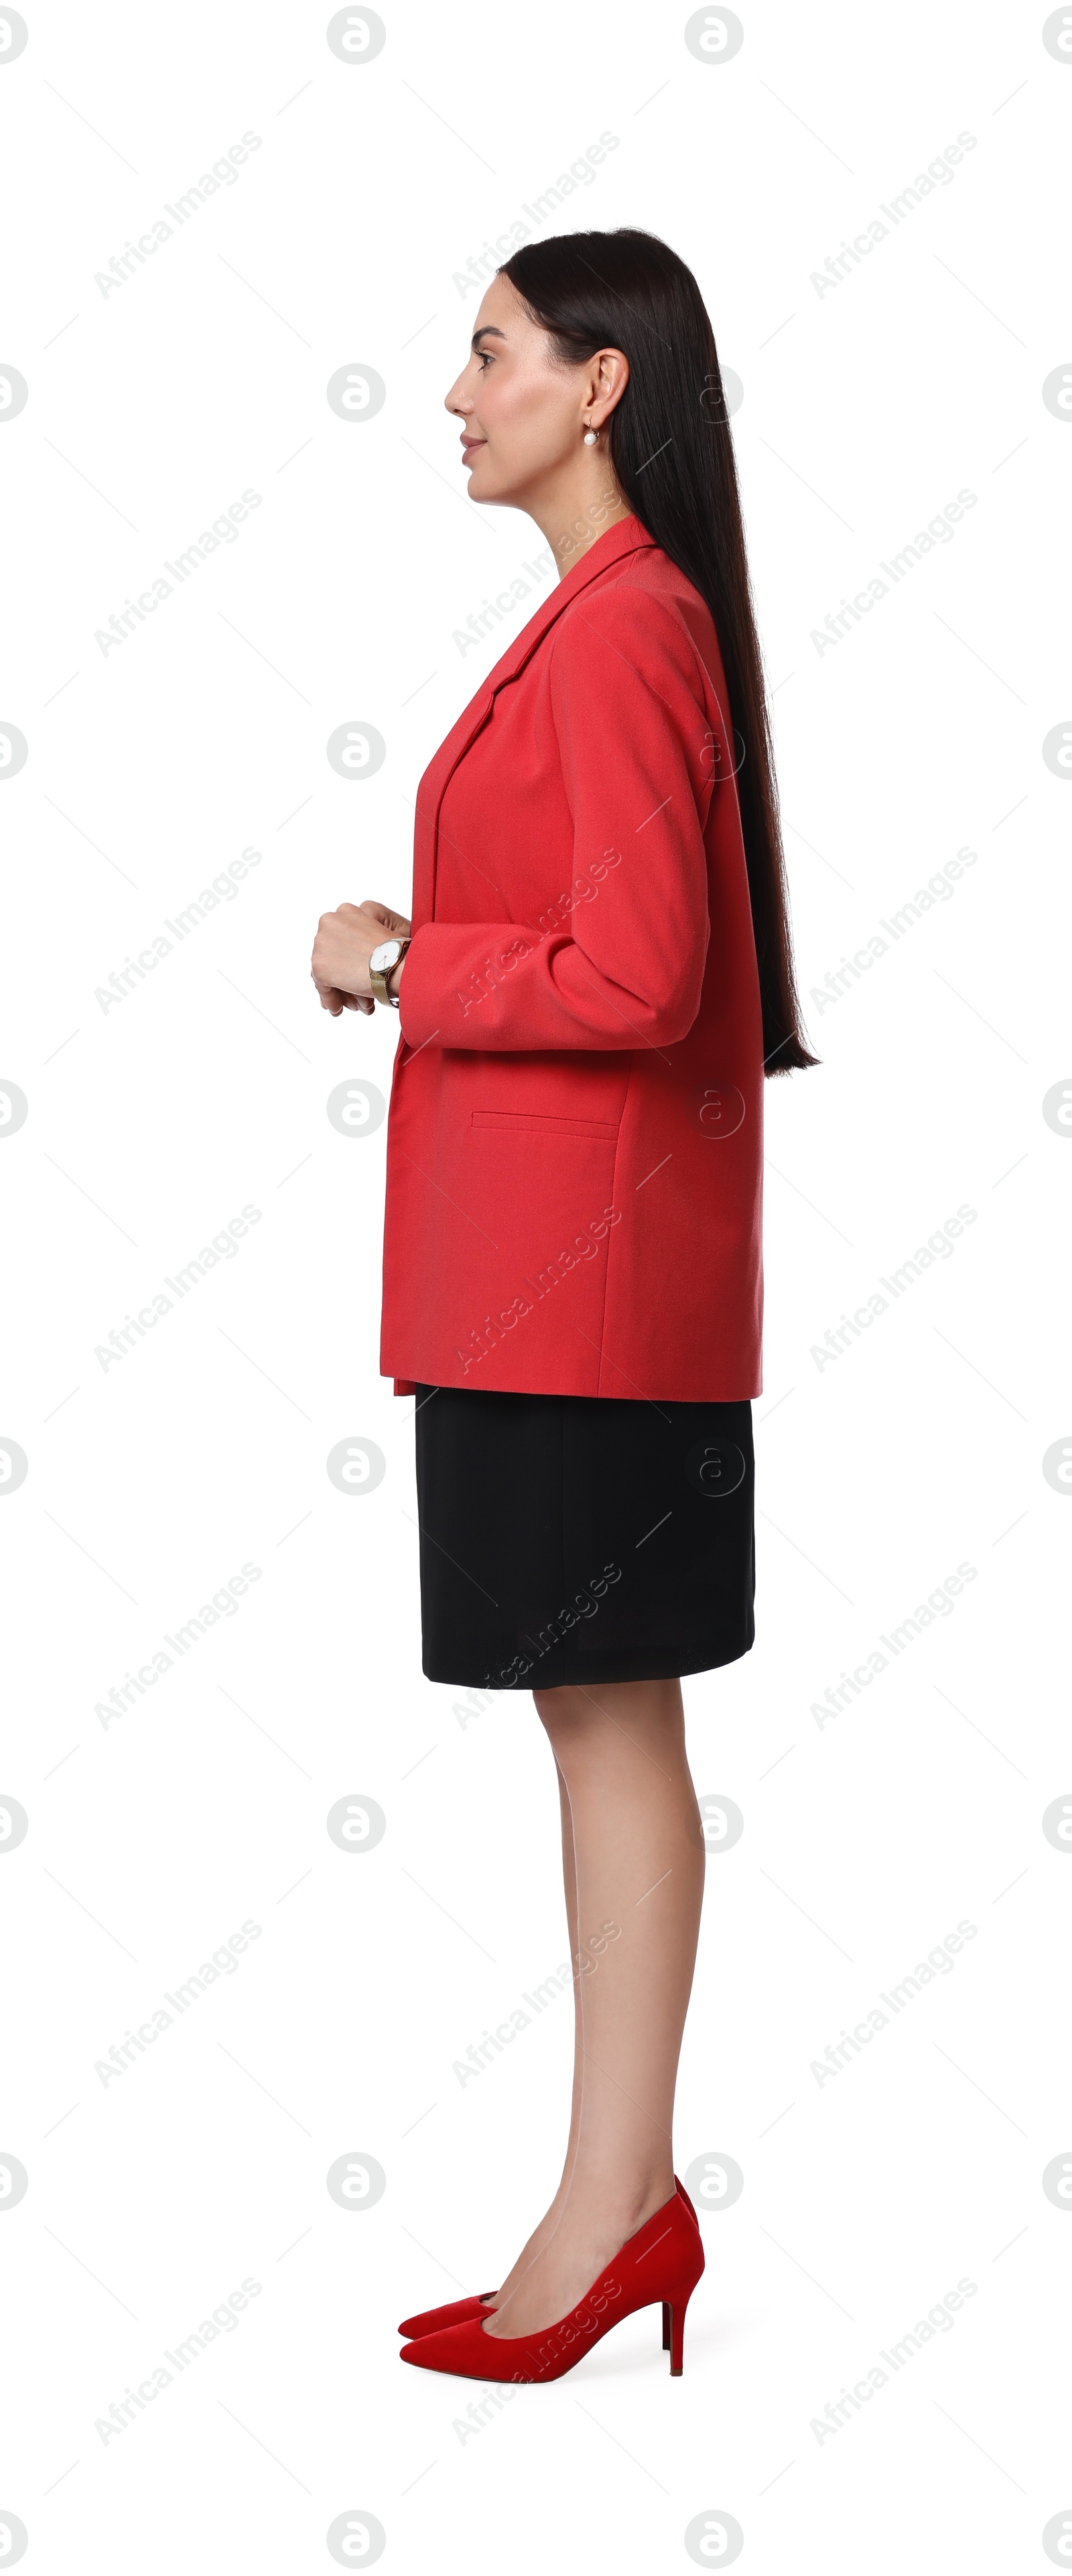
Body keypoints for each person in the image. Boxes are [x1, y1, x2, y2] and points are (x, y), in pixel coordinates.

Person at [310, 228, 816, 2384]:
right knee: (601, 1727)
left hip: (579, 1298)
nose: (456, 392)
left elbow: (640, 980)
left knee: (610, 1730)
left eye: (493, 352)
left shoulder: (623, 635)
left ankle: (615, 2210)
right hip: (559, 1292)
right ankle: (618, 2202)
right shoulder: (617, 624)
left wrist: (403, 959)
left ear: (598, 388)